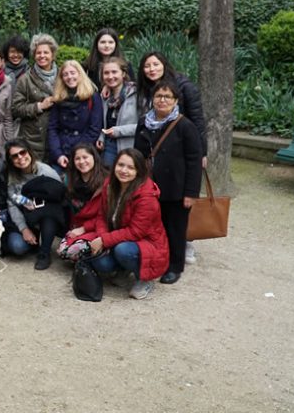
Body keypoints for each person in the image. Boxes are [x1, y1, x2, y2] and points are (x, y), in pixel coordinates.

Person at [67, 149, 169, 300]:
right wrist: (102, 237)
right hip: (117, 237)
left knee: (123, 251)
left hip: (147, 243)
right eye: (120, 165)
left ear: (139, 171)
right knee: (100, 262)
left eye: (130, 167)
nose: (123, 170)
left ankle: (145, 280)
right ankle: (123, 269)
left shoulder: (146, 197)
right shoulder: (109, 184)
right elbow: (101, 216)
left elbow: (136, 232)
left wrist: (104, 240)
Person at [134, 81, 202, 285]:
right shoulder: (144, 122)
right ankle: (156, 261)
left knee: (175, 229)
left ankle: (175, 266)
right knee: (154, 227)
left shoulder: (185, 126)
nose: (162, 100)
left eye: (167, 97)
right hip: (151, 186)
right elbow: (138, 154)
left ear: (175, 101)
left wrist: (190, 192)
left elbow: (194, 160)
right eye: (158, 96)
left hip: (176, 188)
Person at [4, 139, 65, 270]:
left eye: (23, 152)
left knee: (49, 215)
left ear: (29, 152)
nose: (20, 158)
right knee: (17, 247)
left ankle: (44, 253)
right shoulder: (12, 177)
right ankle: (34, 240)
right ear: (10, 160)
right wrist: (23, 229)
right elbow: (12, 204)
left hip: (48, 215)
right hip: (27, 216)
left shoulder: (46, 171)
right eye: (15, 156)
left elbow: (60, 196)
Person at [47, 60, 104, 173]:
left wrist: (77, 155)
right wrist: (58, 154)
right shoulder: (59, 99)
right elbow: (53, 128)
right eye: (65, 74)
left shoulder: (92, 97)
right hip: (62, 151)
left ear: (80, 74)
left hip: (84, 154)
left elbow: (94, 128)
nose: (69, 77)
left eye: (73, 73)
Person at [11, 34, 58, 163]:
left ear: (53, 55)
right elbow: (15, 109)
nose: (42, 56)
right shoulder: (25, 79)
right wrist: (39, 106)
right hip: (33, 139)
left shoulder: (63, 76)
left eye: (46, 52)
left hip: (58, 136)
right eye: (38, 53)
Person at [97, 57, 138, 167]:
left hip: (130, 146)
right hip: (108, 146)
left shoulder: (135, 94)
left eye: (114, 72)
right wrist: (101, 136)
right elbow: (102, 122)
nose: (110, 76)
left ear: (123, 73)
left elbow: (143, 125)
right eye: (106, 73)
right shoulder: (104, 96)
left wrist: (118, 131)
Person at [65, 143, 106, 223]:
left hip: (96, 225)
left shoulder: (105, 181)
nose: (81, 161)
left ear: (94, 157)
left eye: (85, 157)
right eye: (77, 159)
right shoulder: (70, 180)